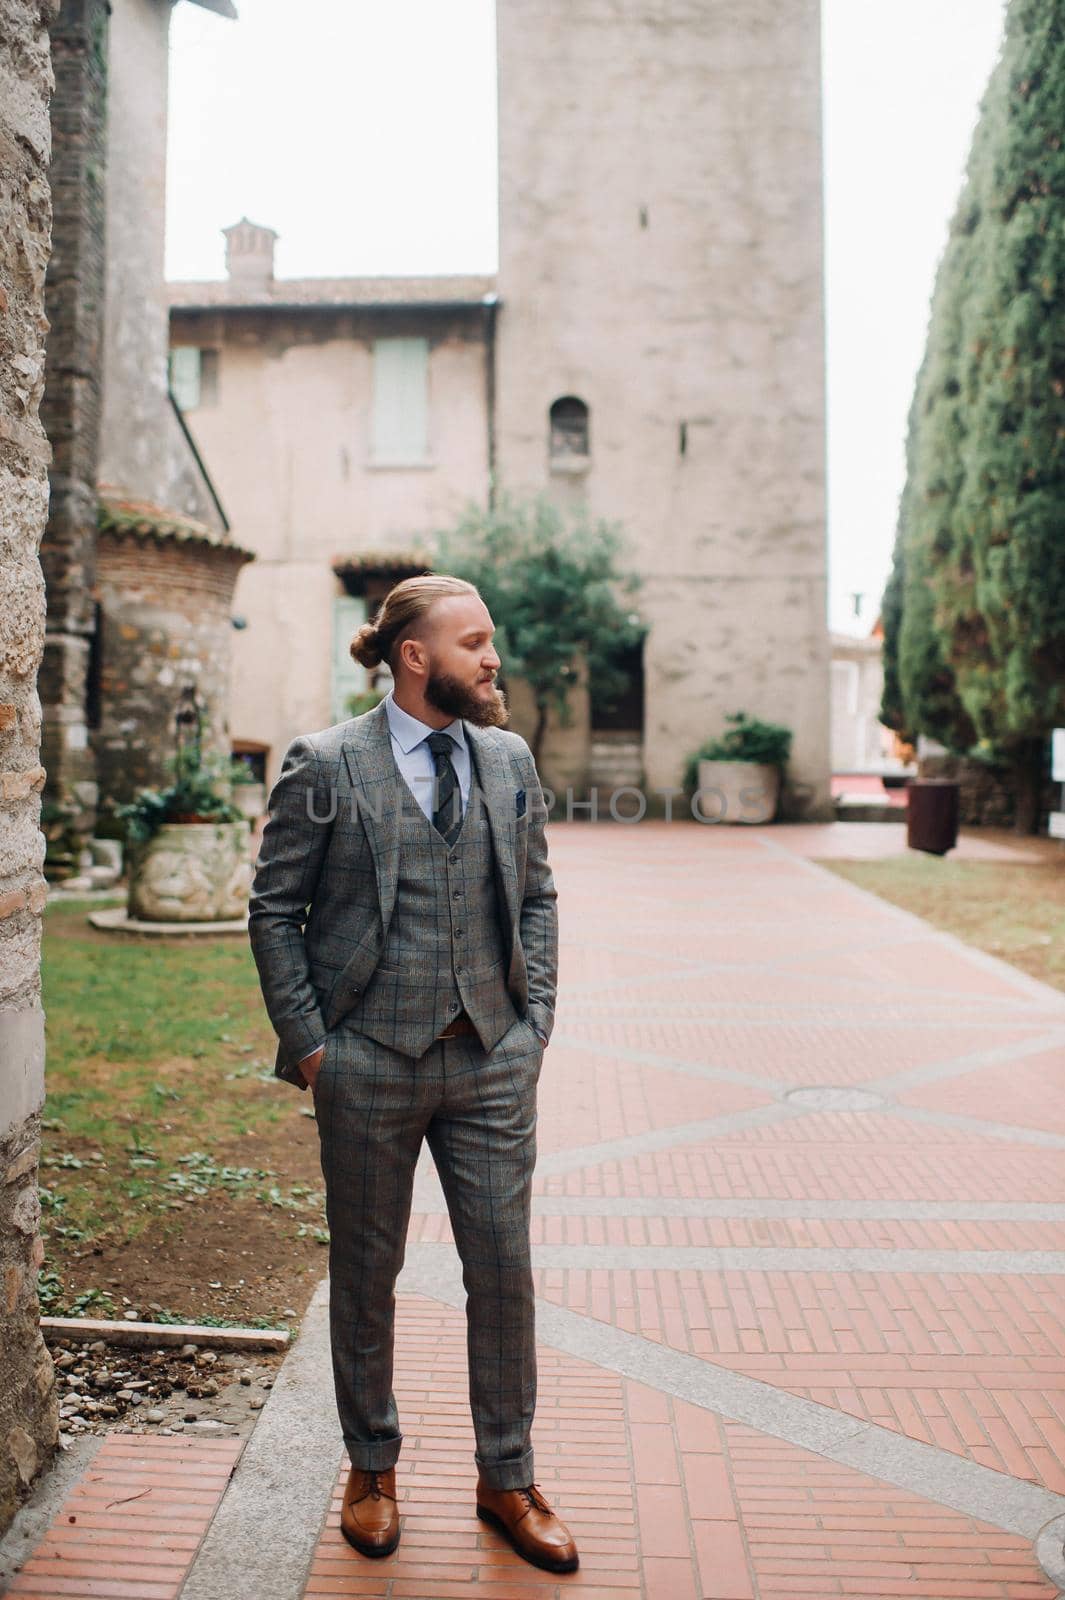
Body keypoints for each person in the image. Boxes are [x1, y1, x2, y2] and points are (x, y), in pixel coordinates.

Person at [248, 575, 578, 1574]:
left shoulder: (509, 758)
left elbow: (538, 895)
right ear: (415, 656)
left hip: (489, 1057)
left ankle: (507, 1477)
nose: (493, 659)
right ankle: (372, 1468)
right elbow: (275, 911)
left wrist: (535, 1024)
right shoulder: (326, 763)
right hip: (367, 1059)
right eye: (474, 642)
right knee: (366, 1273)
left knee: (504, 1271)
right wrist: (314, 1048)